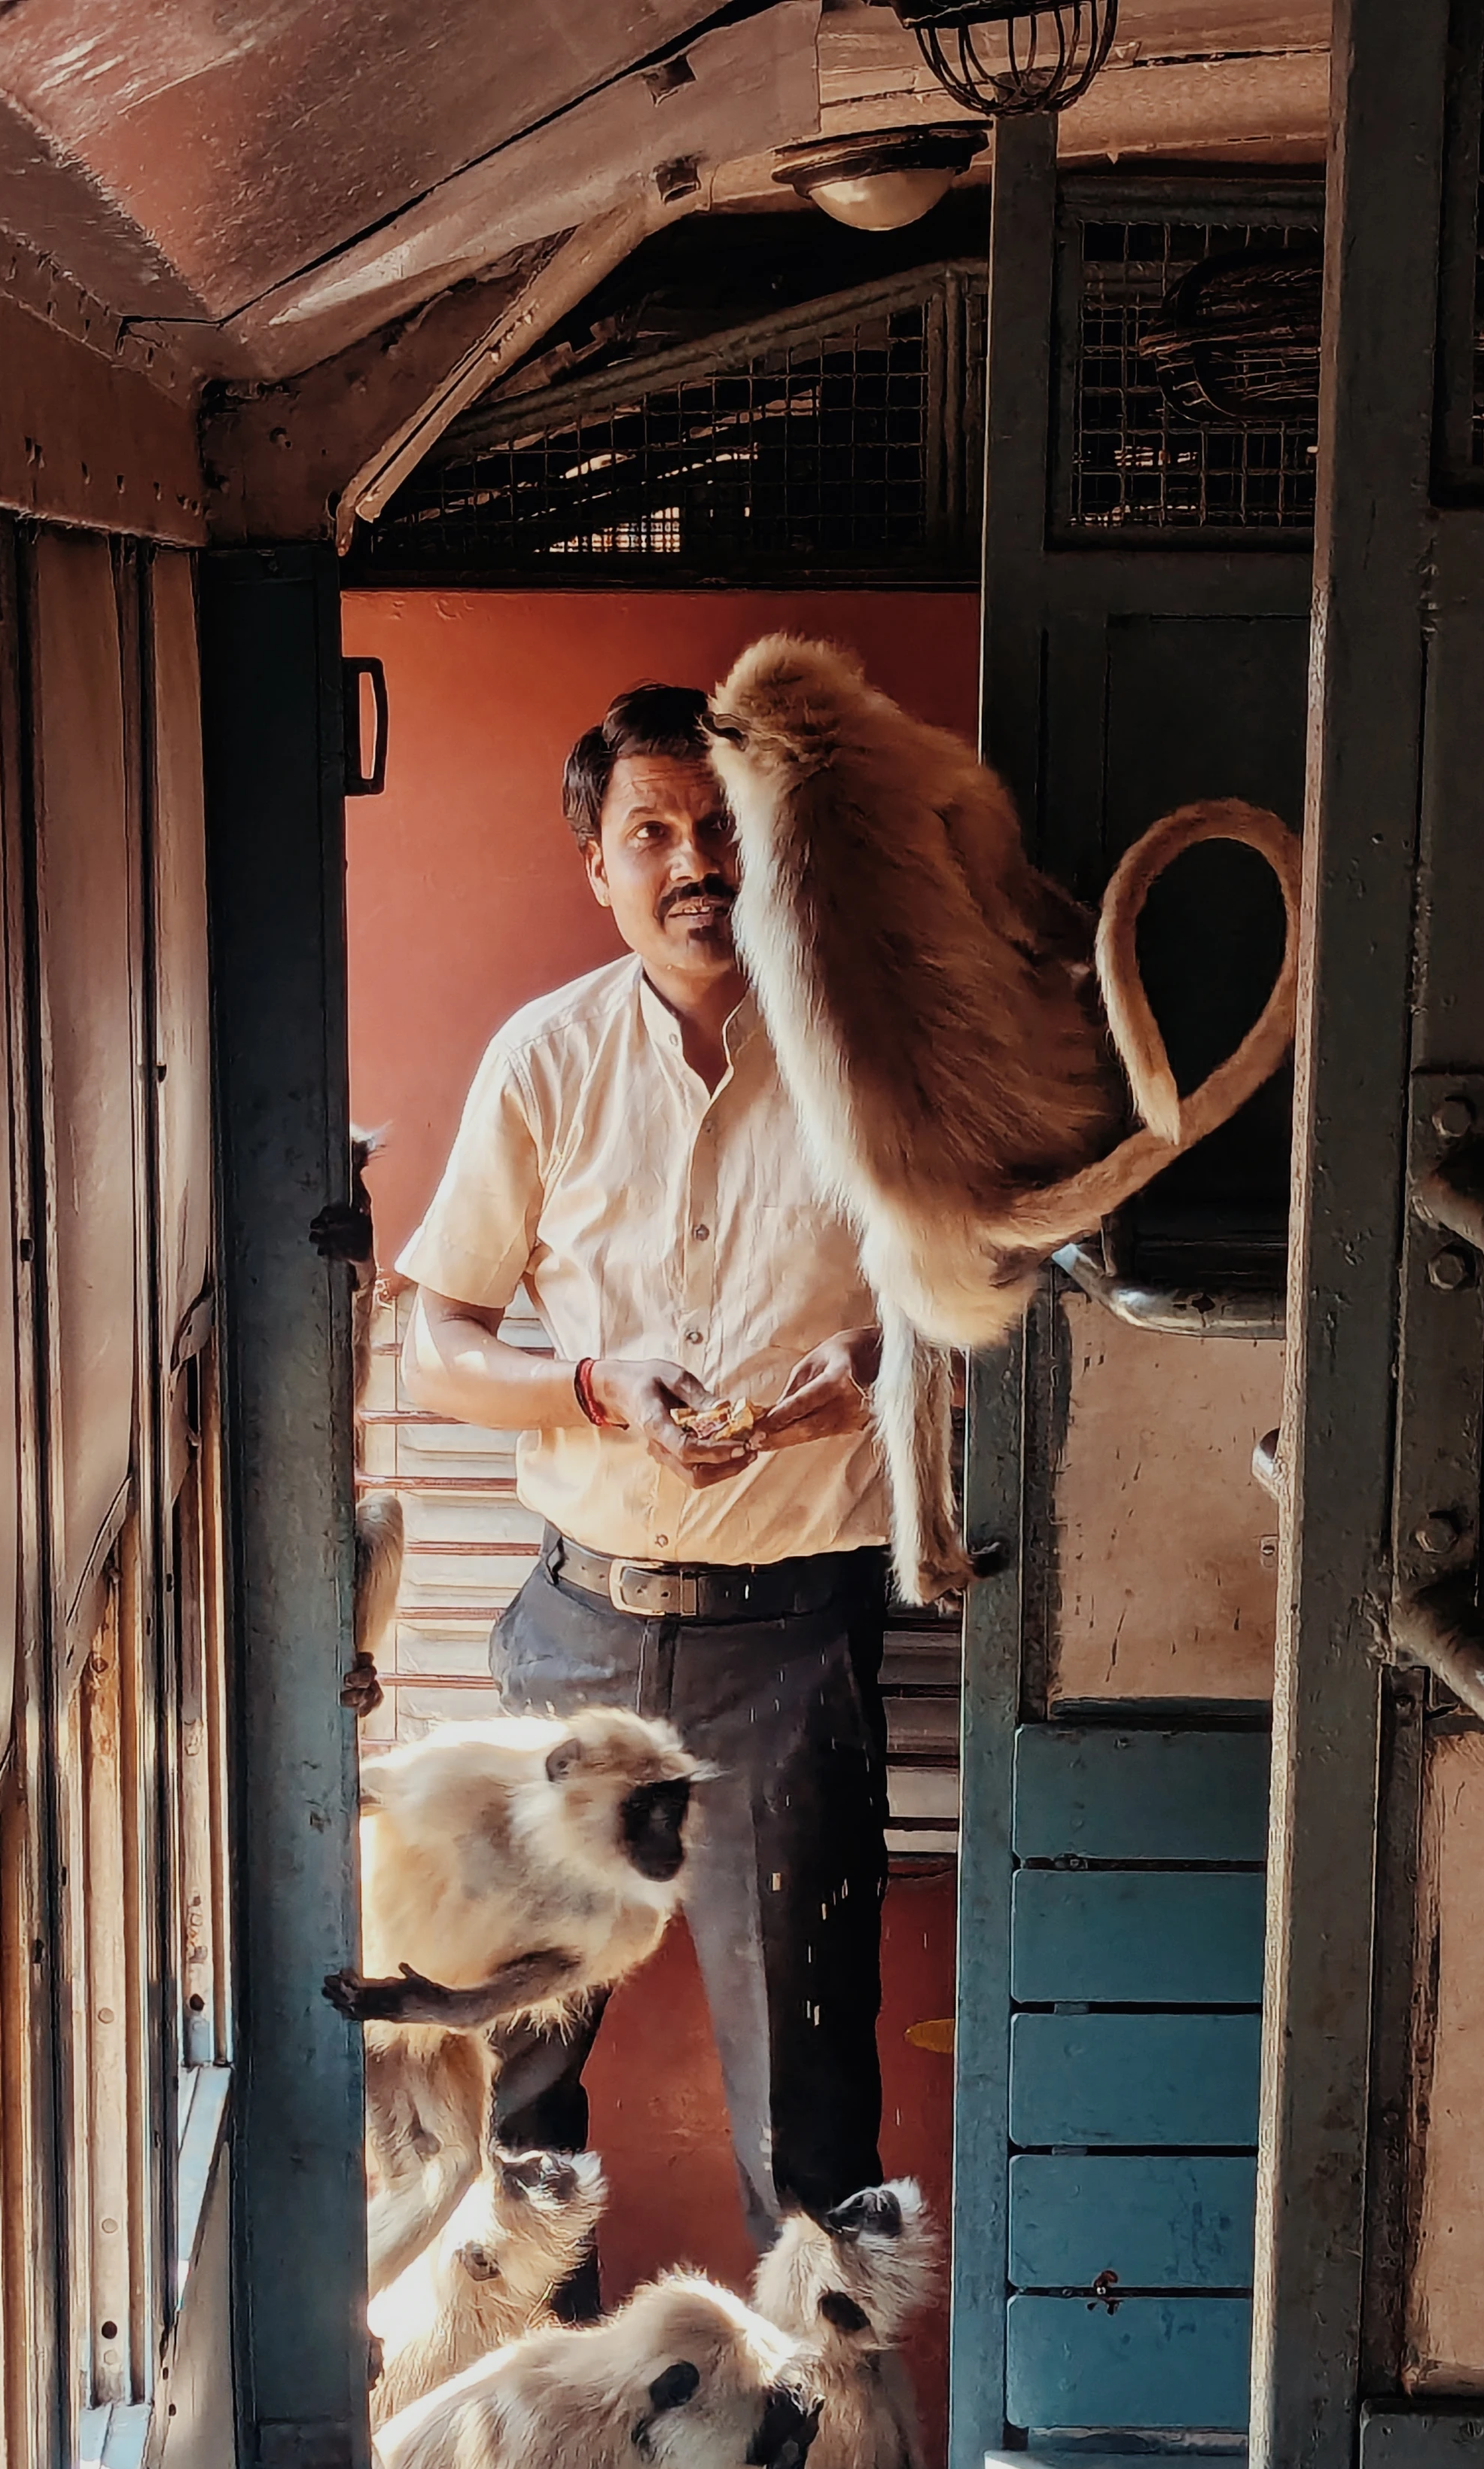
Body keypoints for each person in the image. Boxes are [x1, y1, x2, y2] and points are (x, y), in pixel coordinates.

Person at [392, 681, 895, 2262]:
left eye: (725, 829)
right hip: (575, 1646)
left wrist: (875, 1373)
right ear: (597, 869)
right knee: (513, 2103)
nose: (697, 863)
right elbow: (437, 1343)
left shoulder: (872, 1058)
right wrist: (593, 1388)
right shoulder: (542, 1062)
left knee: (806, 2131)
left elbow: (973, 1306)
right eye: (654, 833)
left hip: (794, 1650)